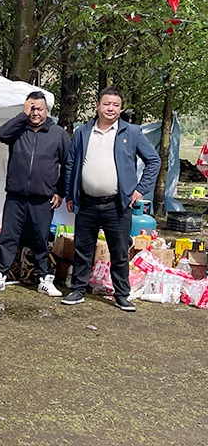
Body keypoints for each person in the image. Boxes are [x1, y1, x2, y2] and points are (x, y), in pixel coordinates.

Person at [62, 86, 160, 311]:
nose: (111, 108)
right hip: (87, 201)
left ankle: (122, 295)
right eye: (106, 104)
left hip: (117, 203)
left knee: (119, 251)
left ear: (120, 108)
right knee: (82, 249)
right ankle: (78, 290)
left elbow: (153, 161)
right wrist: (70, 194)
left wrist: (141, 189)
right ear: (97, 106)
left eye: (116, 105)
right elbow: (70, 164)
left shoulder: (131, 132)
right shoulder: (83, 132)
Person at [0, 92, 70, 297]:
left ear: (47, 110)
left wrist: (60, 192)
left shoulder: (58, 133)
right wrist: (21, 116)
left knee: (40, 240)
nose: (35, 113)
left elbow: (68, 165)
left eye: (39, 109)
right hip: (15, 196)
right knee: (8, 237)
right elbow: (1, 134)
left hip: (43, 198)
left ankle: (45, 279)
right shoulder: (18, 130)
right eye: (31, 109)